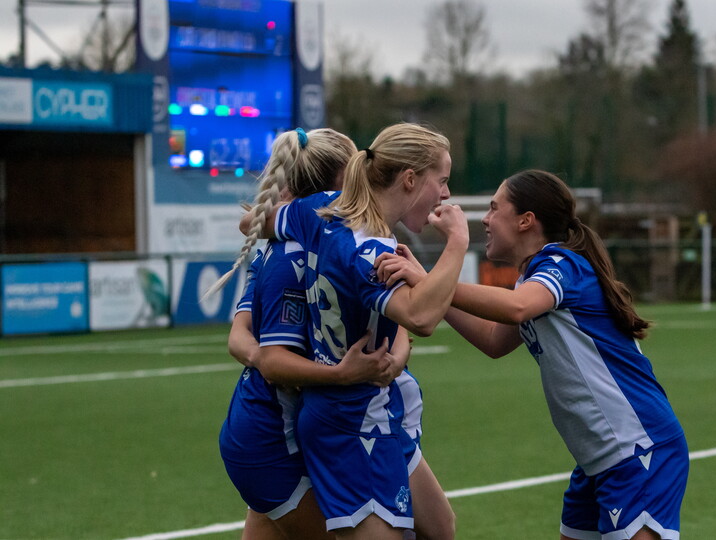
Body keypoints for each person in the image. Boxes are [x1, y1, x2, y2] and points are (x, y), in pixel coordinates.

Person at [378, 170, 688, 540]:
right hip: (597, 462)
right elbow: (494, 341)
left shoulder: (562, 263)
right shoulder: (533, 277)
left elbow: (518, 308)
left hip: (640, 451)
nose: (487, 220)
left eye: (494, 209)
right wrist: (429, 286)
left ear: (526, 221)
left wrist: (428, 281)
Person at [267, 122, 467, 539]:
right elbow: (423, 318)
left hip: (375, 411)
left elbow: (260, 221)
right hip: (349, 424)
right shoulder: (367, 249)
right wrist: (457, 244)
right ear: (410, 179)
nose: (445, 195)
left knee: (440, 527)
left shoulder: (321, 207)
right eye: (442, 181)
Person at [219, 127, 400, 540]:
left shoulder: (305, 240)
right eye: (356, 175)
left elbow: (240, 339)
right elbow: (268, 358)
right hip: (272, 438)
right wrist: (341, 374)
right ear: (335, 189)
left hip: (270, 427)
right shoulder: (293, 256)